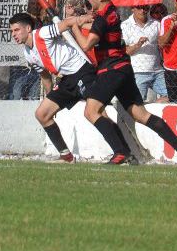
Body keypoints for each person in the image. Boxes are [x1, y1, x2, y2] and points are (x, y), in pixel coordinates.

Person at [69, 0, 177, 166]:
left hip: (112, 70)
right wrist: (80, 21)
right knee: (141, 115)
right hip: (124, 69)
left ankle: (121, 152)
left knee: (91, 111)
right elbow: (99, 27)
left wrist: (73, 25)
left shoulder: (103, 17)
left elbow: (86, 44)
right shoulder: (112, 12)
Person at [9, 12, 111, 163]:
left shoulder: (41, 34)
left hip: (82, 71)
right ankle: (66, 156)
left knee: (96, 112)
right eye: (11, 31)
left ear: (28, 28)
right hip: (67, 80)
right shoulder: (28, 53)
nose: (13, 34)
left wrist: (81, 19)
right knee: (42, 114)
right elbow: (45, 76)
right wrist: (50, 98)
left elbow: (67, 23)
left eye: (16, 30)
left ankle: (122, 151)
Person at [121, 4, 168, 103]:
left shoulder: (156, 24)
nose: (143, 11)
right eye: (139, 8)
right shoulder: (125, 25)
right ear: (132, 8)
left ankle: (154, 110)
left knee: (171, 97)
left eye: (146, 8)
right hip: (138, 71)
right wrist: (138, 44)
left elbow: (163, 43)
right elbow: (125, 51)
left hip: (157, 71)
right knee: (138, 103)